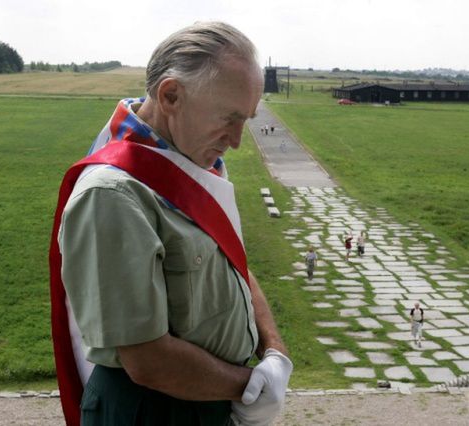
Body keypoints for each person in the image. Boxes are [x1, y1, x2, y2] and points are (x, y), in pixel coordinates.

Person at [49, 22, 292, 426]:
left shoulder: (198, 161)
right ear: (171, 95)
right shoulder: (113, 195)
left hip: (208, 398)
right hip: (153, 411)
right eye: (228, 118)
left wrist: (275, 354)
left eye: (246, 119)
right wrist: (250, 385)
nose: (236, 140)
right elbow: (147, 359)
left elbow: (235, 264)